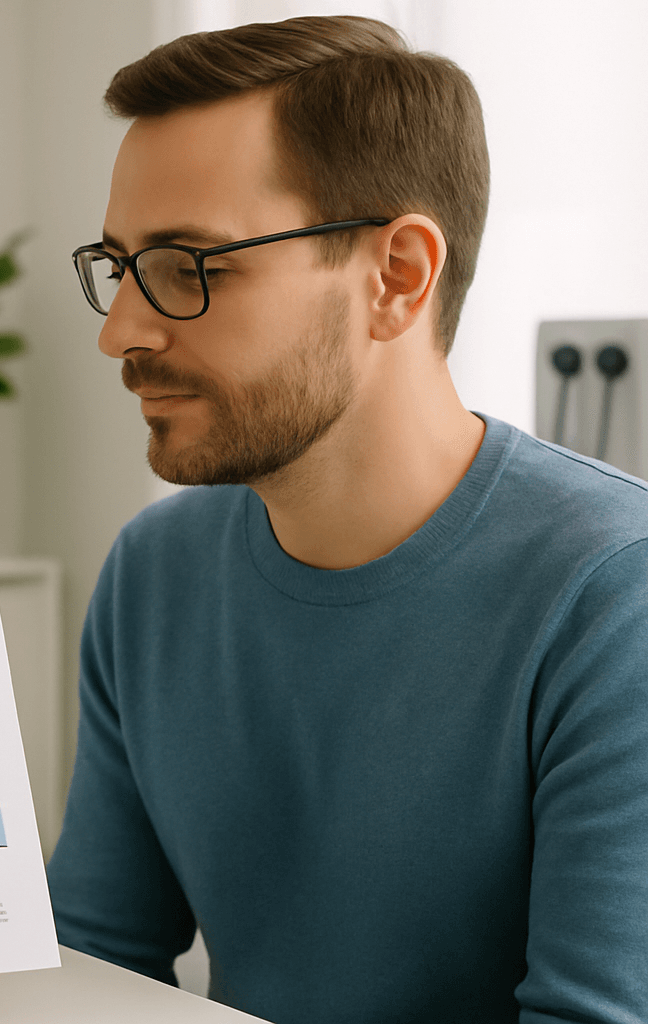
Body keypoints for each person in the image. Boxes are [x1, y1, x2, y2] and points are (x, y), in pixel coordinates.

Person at [47, 15, 648, 1024]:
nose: (121, 331)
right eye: (120, 266)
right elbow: (95, 965)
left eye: (191, 267)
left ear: (397, 276)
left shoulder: (612, 596)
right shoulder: (155, 574)